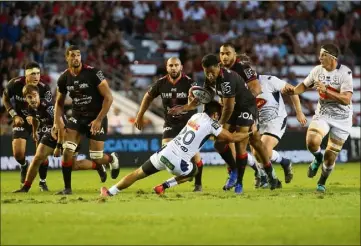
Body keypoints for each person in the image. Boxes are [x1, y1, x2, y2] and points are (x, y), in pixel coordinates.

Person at [171, 54, 282, 193]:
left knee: (240, 145)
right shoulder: (210, 78)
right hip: (233, 109)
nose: (210, 75)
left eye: (212, 71)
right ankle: (239, 171)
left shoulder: (226, 80)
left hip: (246, 107)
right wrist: (186, 107)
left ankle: (240, 183)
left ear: (219, 66)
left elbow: (228, 107)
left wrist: (218, 125)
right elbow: (208, 100)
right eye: (207, 72)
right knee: (220, 143)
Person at [100, 101, 255, 197]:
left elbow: (202, 133)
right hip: (178, 162)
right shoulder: (212, 124)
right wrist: (249, 132)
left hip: (165, 151)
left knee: (137, 173)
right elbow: (231, 138)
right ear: (215, 114)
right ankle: (165, 186)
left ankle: (110, 192)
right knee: (193, 172)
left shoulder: (195, 117)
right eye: (218, 115)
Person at [282, 44, 353, 192]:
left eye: (323, 55)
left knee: (330, 157)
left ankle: (322, 181)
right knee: (312, 142)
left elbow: (346, 99)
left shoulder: (345, 73)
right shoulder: (317, 70)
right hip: (323, 114)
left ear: (332, 57)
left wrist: (326, 91)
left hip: (342, 119)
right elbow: (305, 85)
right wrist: (294, 90)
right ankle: (317, 158)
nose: (319, 57)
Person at [13, 85, 108, 193]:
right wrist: (35, 132)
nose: (33, 99)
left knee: (73, 166)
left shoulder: (49, 107)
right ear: (26, 99)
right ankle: (26, 187)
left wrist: (58, 146)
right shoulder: (31, 107)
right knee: (37, 158)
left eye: (34, 95)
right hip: (51, 133)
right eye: (29, 97)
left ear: (39, 95)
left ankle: (98, 166)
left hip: (67, 134)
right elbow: (35, 119)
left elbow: (61, 126)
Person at [52, 45, 120, 195]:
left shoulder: (93, 73)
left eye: (78, 55)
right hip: (77, 117)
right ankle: (67, 189)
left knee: (96, 156)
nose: (76, 58)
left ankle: (111, 159)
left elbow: (109, 98)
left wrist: (98, 120)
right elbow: (59, 102)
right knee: (67, 151)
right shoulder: (64, 78)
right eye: (72, 55)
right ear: (67, 58)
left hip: (96, 116)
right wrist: (57, 122)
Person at [134, 57, 204, 192]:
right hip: (170, 123)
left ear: (181, 67)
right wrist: (140, 115)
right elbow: (147, 97)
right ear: (167, 68)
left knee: (195, 155)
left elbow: (199, 101)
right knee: (166, 152)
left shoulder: (190, 83)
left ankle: (198, 184)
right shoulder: (160, 83)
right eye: (171, 65)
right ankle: (184, 174)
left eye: (176, 65)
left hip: (189, 124)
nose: (173, 68)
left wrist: (185, 107)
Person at [2, 62, 52, 189]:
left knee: (41, 155)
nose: (36, 76)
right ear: (26, 76)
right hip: (21, 121)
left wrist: (35, 116)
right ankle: (24, 165)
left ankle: (42, 182)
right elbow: (6, 99)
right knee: (18, 154)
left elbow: (47, 108)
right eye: (33, 74)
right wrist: (14, 115)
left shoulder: (45, 88)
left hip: (40, 122)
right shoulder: (14, 84)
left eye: (38, 73)